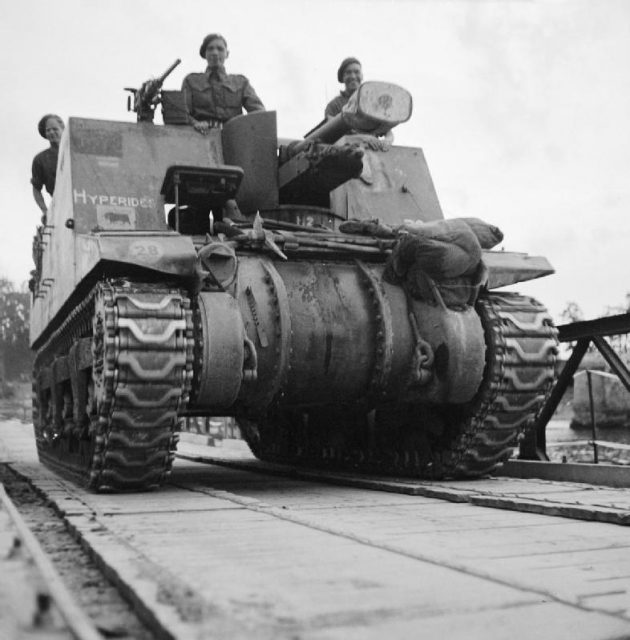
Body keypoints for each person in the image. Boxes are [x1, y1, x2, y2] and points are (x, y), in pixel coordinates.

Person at [181, 33, 264, 134]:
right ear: (204, 54)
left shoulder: (241, 82)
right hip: (200, 136)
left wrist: (247, 130)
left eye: (220, 49)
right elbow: (182, 112)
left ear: (227, 54)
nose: (215, 53)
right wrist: (195, 123)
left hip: (234, 138)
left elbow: (259, 113)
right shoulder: (191, 81)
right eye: (210, 49)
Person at [31, 114, 64, 222]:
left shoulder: (75, 152)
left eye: (54, 129)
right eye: (48, 130)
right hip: (61, 207)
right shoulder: (40, 159)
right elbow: (36, 188)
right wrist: (45, 211)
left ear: (63, 129)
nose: (51, 132)